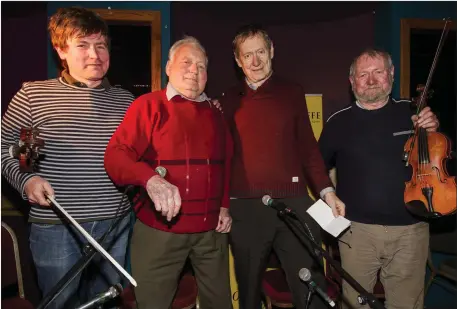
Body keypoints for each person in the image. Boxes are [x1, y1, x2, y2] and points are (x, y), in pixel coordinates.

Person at [1, 7, 135, 309]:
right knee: (60, 304)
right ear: (61, 50)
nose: (94, 54)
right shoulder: (32, 95)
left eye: (101, 45)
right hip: (56, 228)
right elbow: (3, 148)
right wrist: (27, 180)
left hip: (115, 225)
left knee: (109, 302)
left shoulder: (126, 100)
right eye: (82, 45)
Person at [217, 24, 346, 309]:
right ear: (238, 60)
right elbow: (221, 158)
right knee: (248, 292)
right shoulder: (226, 101)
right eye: (247, 55)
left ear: (272, 51)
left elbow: (309, 149)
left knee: (310, 287)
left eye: (261, 52)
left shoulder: (292, 92)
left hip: (294, 204)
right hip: (246, 210)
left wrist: (328, 192)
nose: (255, 61)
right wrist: (223, 203)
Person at [104, 36, 233, 309]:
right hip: (159, 231)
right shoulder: (148, 105)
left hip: (211, 233)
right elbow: (115, 156)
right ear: (168, 67)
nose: (194, 70)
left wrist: (223, 206)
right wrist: (149, 179)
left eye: (201, 66)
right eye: (186, 62)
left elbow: (225, 163)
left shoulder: (216, 113)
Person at [318, 48, 439, 309]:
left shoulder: (414, 112)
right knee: (355, 304)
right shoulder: (337, 123)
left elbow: (443, 158)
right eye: (363, 74)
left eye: (378, 72)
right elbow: (316, 167)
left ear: (391, 75)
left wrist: (434, 132)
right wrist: (327, 193)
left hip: (410, 232)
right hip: (356, 233)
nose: (371, 80)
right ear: (352, 82)